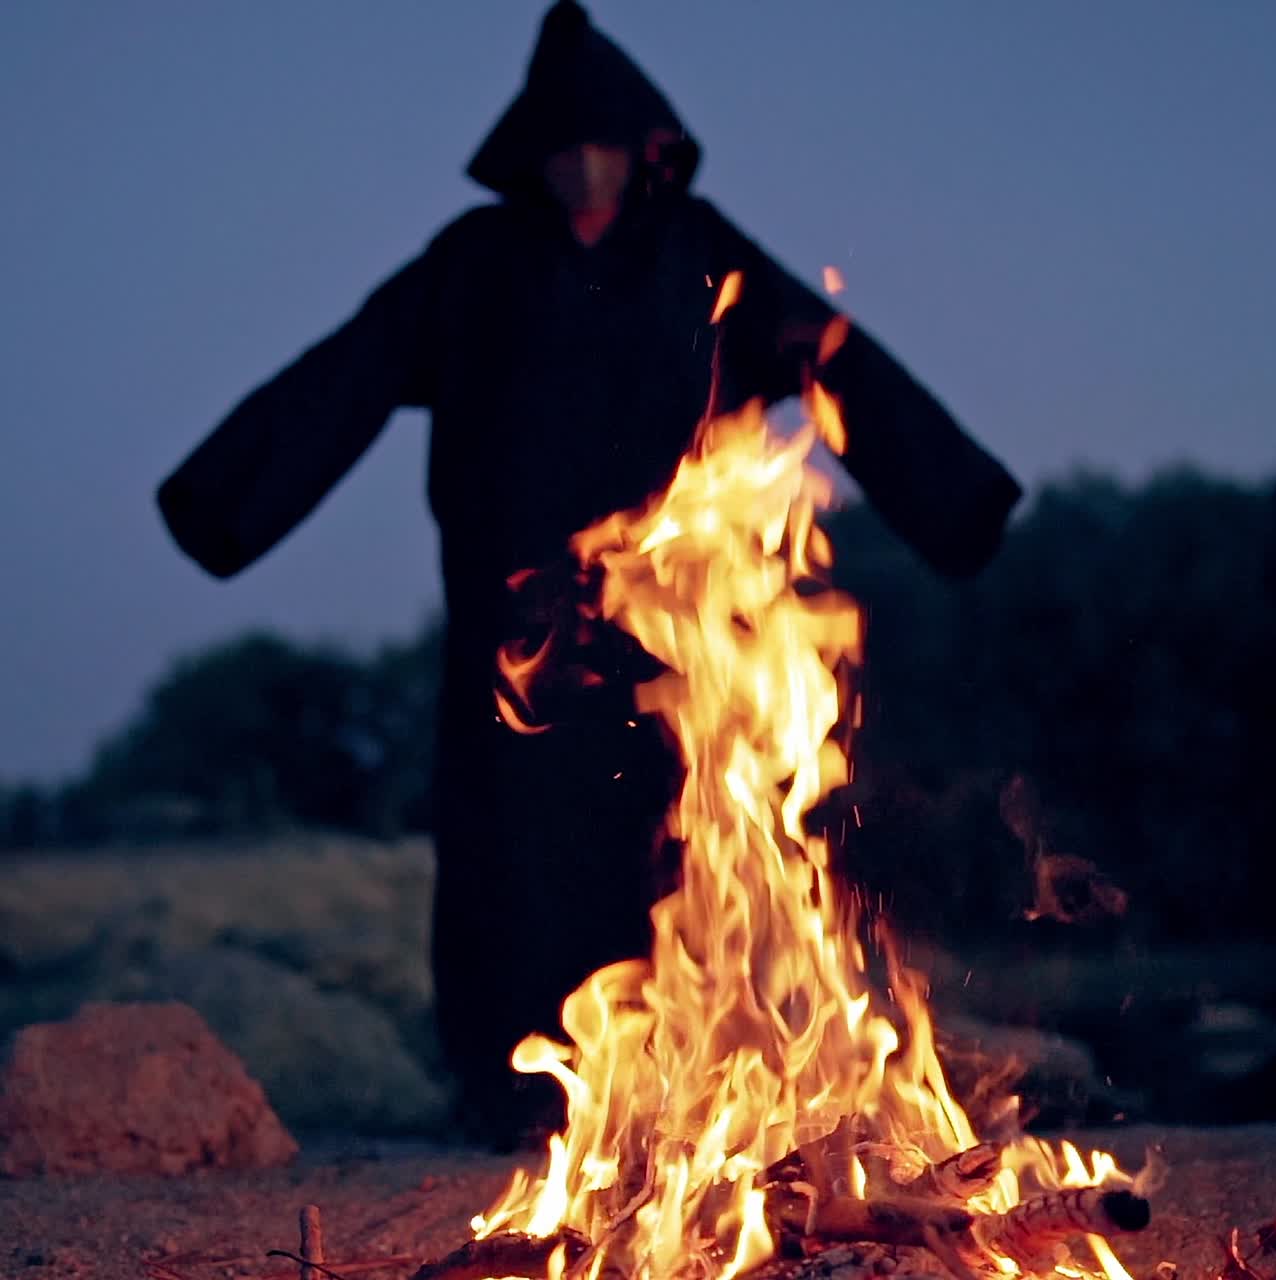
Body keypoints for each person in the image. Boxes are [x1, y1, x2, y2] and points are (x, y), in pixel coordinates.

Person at [157, 1, 1022, 1145]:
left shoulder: (696, 253)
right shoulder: (472, 265)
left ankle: (681, 1101)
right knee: (502, 860)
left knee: (670, 847)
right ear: (529, 157)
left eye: (596, 143)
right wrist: (218, 504)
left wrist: (953, 500)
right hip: (512, 627)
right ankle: (511, 1102)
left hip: (669, 632)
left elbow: (828, 356)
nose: (576, 165)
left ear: (642, 148)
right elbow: (344, 376)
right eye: (555, 148)